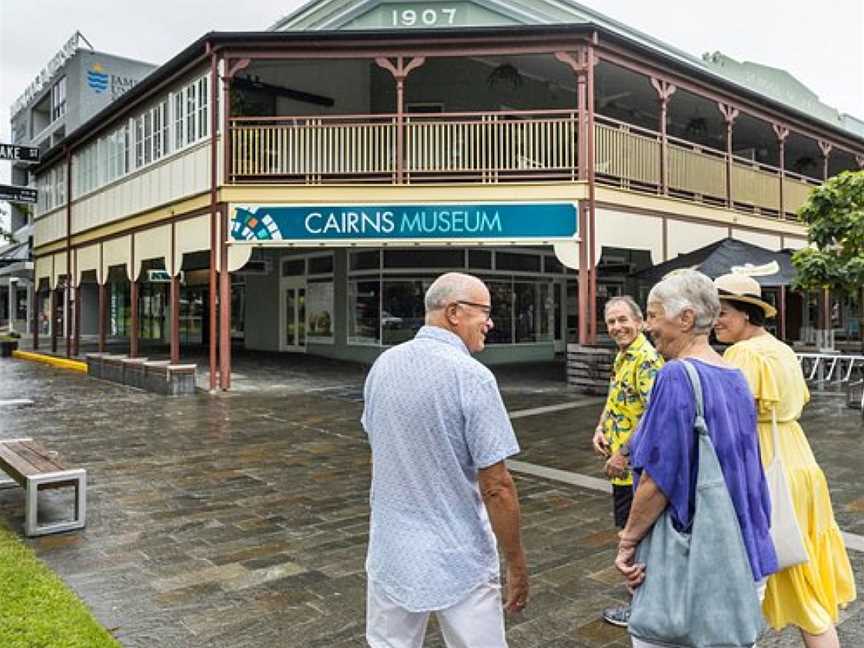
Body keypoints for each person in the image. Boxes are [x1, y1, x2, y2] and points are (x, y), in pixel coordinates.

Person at [361, 272, 529, 648]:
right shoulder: (473, 377)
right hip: (458, 553)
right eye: (484, 311)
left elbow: (379, 451)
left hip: (391, 549)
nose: (491, 322)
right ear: (454, 312)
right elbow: (497, 486)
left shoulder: (382, 366)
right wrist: (515, 561)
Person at [613, 269, 778, 648]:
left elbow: (659, 479)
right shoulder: (734, 375)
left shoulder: (675, 376)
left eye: (653, 315)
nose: (648, 326)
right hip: (744, 549)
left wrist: (628, 541)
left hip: (695, 560)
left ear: (685, 318)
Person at [714, 272, 856, 648]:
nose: (716, 320)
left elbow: (729, 416)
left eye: (723, 312)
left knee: (784, 574)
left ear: (746, 314)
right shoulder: (781, 348)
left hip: (765, 461)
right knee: (803, 564)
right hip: (797, 456)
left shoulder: (742, 353)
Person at [592, 296, 664, 627]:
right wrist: (601, 427)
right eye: (611, 322)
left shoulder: (646, 359)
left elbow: (653, 412)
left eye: (623, 320)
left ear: (639, 322)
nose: (617, 327)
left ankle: (641, 609)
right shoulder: (624, 355)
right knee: (629, 532)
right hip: (622, 468)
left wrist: (624, 453)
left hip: (635, 469)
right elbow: (616, 397)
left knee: (633, 537)